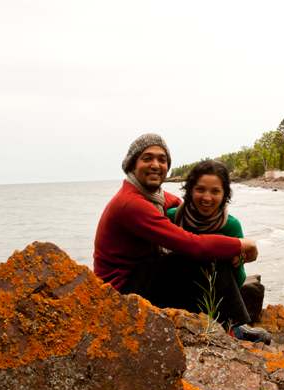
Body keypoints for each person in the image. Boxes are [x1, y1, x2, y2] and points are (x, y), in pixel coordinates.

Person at [93, 133, 270, 344]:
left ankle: (224, 325)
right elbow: (193, 245)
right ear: (132, 166)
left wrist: (230, 246)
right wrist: (242, 244)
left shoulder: (156, 198)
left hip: (142, 276)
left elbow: (184, 208)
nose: (155, 165)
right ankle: (233, 333)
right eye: (147, 158)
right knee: (206, 253)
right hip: (119, 291)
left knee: (212, 247)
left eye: (162, 159)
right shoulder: (131, 204)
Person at [166, 160, 246, 288]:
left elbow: (239, 282)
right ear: (190, 190)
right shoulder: (171, 217)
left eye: (215, 191)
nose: (207, 197)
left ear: (224, 194)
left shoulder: (231, 226)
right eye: (200, 189)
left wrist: (234, 260)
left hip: (213, 295)